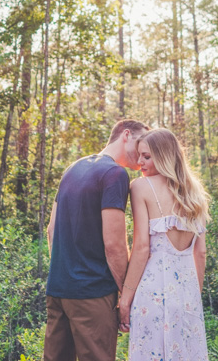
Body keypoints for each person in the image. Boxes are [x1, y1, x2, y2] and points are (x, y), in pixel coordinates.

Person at [43, 118, 149, 361]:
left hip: (58, 290)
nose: (144, 153)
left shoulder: (73, 168)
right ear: (126, 135)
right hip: (92, 294)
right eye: (140, 142)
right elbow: (114, 245)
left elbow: (51, 230)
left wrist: (67, 273)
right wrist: (125, 296)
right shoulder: (115, 173)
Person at [119, 128, 211, 360]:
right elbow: (200, 253)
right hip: (188, 295)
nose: (140, 162)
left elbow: (141, 248)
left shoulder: (141, 187)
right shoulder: (196, 194)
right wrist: (192, 296)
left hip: (152, 294)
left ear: (165, 156)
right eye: (139, 155)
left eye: (147, 157)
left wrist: (125, 299)